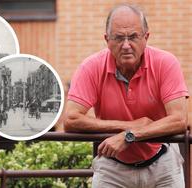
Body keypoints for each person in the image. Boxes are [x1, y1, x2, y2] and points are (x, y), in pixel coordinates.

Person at [64, 4, 189, 188]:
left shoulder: (166, 62)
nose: (126, 45)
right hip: (112, 167)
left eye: (133, 37)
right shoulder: (90, 67)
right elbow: (70, 119)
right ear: (107, 40)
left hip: (163, 164)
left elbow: (179, 120)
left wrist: (130, 135)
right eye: (118, 38)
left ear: (146, 37)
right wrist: (129, 126)